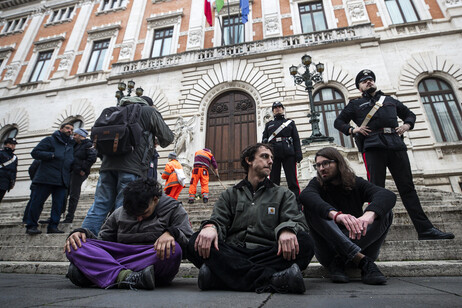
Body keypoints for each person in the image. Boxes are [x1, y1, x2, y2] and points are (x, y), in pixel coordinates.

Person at [334, 69, 454, 241]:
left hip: (396, 145)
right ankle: (375, 234)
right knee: (376, 189)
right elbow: (338, 122)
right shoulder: (355, 104)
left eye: (370, 79)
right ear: (359, 88)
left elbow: (410, 114)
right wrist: (353, 130)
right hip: (373, 147)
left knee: (408, 188)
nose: (369, 82)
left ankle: (425, 229)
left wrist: (407, 125)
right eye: (364, 81)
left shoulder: (389, 100)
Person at [187, 143, 314, 294]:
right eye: (265, 156)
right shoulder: (229, 195)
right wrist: (211, 227)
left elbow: (297, 221)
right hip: (235, 252)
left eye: (272, 158)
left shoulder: (284, 194)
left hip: (270, 252)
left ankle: (221, 278)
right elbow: (219, 220)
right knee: (195, 241)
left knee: (305, 243)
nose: (271, 161)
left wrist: (287, 229)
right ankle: (273, 279)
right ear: (249, 160)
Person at [64, 178, 193, 290]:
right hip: (121, 255)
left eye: (144, 213)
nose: (139, 219)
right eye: (134, 215)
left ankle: (104, 273)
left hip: (152, 257)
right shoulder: (119, 212)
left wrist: (172, 233)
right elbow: (103, 241)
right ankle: (127, 277)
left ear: (155, 199)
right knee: (76, 245)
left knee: (174, 250)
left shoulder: (174, 209)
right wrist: (82, 233)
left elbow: (189, 246)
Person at [300, 147, 396, 285]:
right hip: (329, 252)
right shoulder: (316, 184)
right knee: (311, 208)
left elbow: (387, 195)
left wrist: (368, 215)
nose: (321, 168)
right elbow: (306, 196)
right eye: (318, 165)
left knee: (384, 211)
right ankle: (362, 261)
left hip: (359, 242)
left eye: (325, 163)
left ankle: (343, 257)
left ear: (339, 163)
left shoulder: (356, 183)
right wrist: (335, 215)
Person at [81, 96, 174, 236]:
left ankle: (83, 243)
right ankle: (118, 245)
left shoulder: (113, 111)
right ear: (149, 104)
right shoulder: (148, 111)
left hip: (107, 167)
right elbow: (168, 138)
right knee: (125, 207)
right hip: (132, 168)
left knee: (99, 205)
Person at [25, 122, 74, 235]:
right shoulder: (49, 140)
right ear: (61, 129)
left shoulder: (70, 145)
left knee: (58, 205)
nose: (69, 131)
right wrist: (51, 155)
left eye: (71, 129)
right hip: (46, 178)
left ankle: (53, 226)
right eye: (67, 128)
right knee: (37, 202)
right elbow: (35, 153)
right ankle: (31, 225)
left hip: (62, 180)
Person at [262, 101, 302, 198]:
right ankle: (273, 200)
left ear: (283, 109)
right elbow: (264, 141)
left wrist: (298, 153)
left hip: (288, 152)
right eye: (275, 107)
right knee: (273, 180)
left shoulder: (290, 123)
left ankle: (297, 202)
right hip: (274, 154)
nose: (278, 109)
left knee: (292, 180)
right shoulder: (269, 125)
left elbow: (296, 139)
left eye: (280, 107)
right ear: (273, 111)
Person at [62, 128, 97, 223]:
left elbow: (92, 158)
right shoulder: (75, 145)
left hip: (78, 173)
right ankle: (61, 215)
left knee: (74, 195)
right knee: (64, 193)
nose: (73, 136)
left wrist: (83, 169)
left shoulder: (89, 145)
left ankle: (69, 217)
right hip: (70, 171)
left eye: (75, 135)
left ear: (81, 136)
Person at [0, 137, 18, 203]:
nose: (13, 146)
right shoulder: (1, 153)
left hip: (6, 182)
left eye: (14, 144)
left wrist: (13, 181)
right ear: (6, 144)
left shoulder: (14, 157)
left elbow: (14, 170)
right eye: (11, 144)